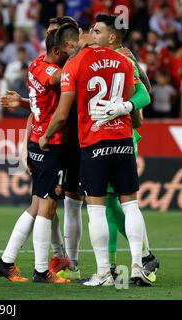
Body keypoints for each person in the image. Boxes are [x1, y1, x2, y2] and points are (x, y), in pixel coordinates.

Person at [40, 23, 154, 286]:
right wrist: (125, 109)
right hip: (124, 140)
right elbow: (141, 96)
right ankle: (138, 266)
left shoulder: (75, 64)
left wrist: (46, 136)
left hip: (93, 142)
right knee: (131, 205)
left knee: (96, 210)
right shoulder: (123, 60)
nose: (88, 33)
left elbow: (62, 112)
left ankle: (104, 272)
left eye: (92, 30)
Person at [0, 16, 83, 281]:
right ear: (57, 48)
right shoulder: (50, 71)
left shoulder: (35, 64)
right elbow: (62, 77)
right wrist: (83, 53)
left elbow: (41, 104)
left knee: (36, 207)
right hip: (51, 144)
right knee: (47, 209)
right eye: (67, 46)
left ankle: (6, 261)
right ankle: (40, 270)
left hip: (38, 142)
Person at [88, 14, 159, 278]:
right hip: (114, 135)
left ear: (112, 36)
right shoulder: (113, 56)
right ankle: (137, 259)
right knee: (113, 203)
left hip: (120, 136)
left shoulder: (122, 58)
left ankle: (142, 257)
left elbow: (145, 92)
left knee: (119, 202)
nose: (91, 35)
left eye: (96, 31)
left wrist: (125, 108)